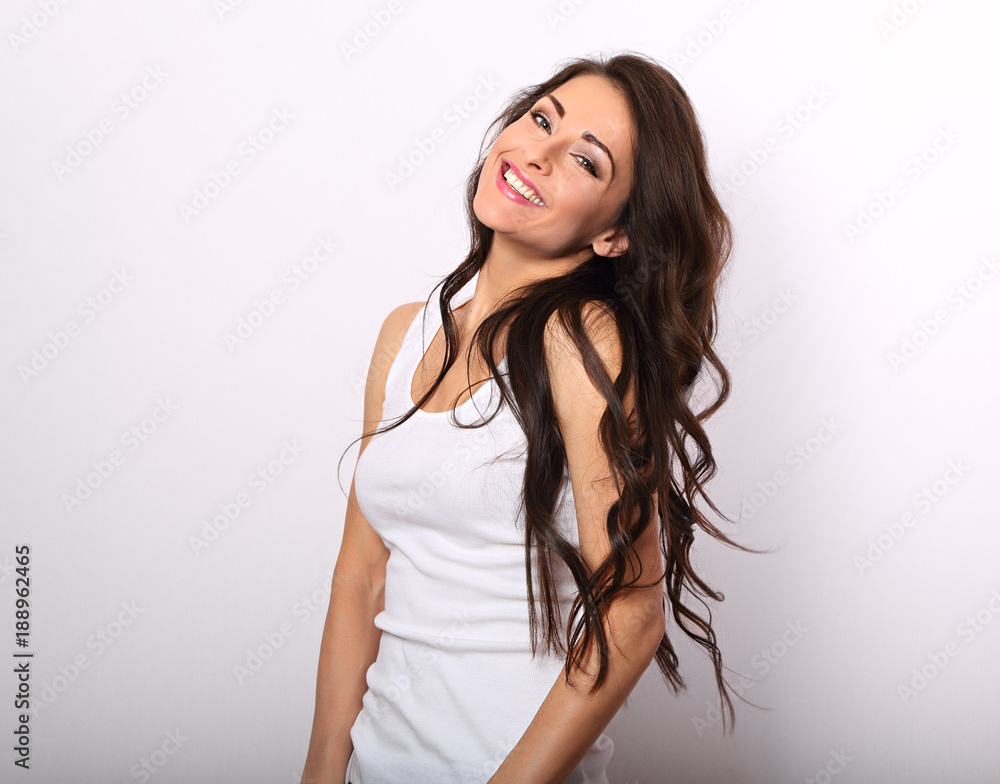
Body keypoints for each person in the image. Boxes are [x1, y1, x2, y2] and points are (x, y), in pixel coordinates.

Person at [300, 50, 759, 784]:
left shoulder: (584, 343)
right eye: (542, 119)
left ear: (614, 234)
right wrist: (324, 767)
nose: (539, 153)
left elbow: (632, 612)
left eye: (585, 160)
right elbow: (360, 575)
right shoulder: (405, 333)